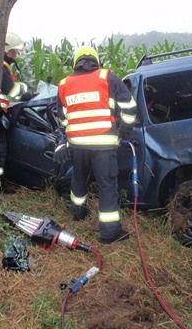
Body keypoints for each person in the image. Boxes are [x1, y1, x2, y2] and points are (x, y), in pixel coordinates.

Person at [53, 46, 138, 244]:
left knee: (79, 179)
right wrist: (123, 132)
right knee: (107, 186)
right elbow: (129, 108)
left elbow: (62, 118)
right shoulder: (106, 77)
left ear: (75, 62)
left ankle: (77, 212)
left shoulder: (64, 84)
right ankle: (109, 233)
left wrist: (68, 137)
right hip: (103, 145)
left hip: (77, 146)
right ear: (96, 61)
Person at [0, 31, 25, 176]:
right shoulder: (1, 67)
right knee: (0, 148)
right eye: (14, 52)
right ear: (6, 50)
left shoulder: (2, 66)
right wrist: (26, 93)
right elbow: (11, 91)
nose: (15, 56)